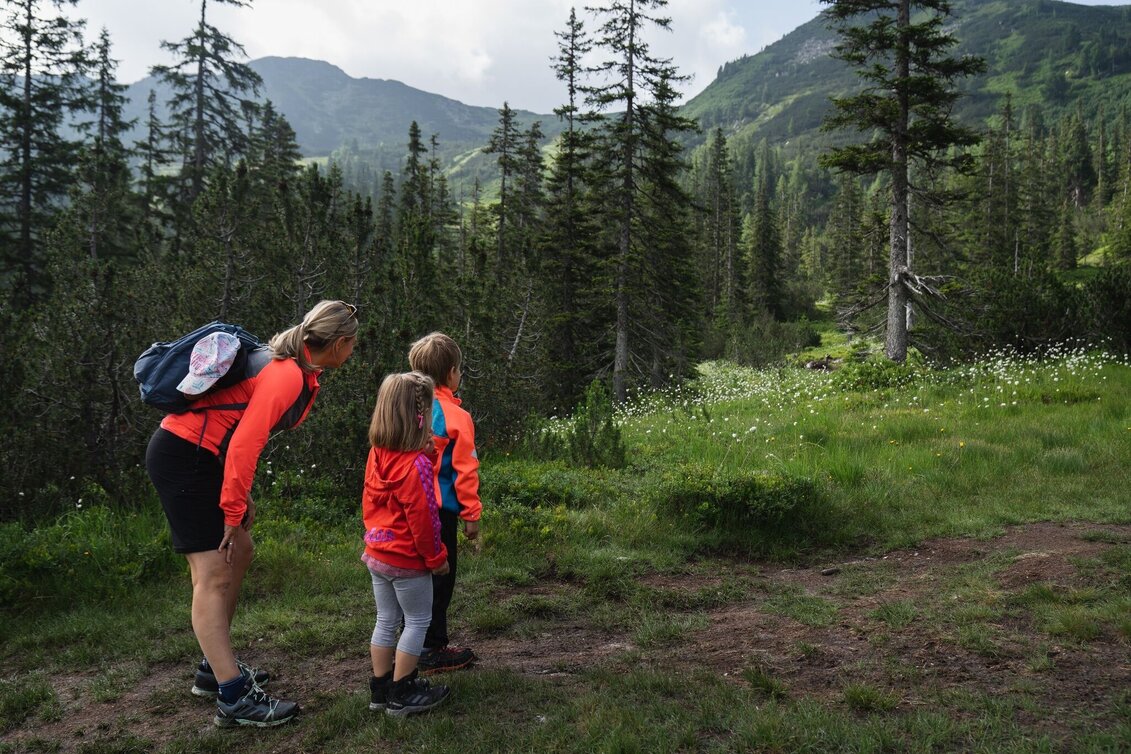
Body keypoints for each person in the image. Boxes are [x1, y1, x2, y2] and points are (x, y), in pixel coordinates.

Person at [145, 300, 358, 728]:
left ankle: (214, 668)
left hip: (202, 459)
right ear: (337, 344)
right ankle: (234, 697)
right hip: (183, 457)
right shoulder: (287, 374)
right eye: (354, 343)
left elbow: (234, 434)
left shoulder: (292, 368)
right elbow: (245, 444)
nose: (355, 350)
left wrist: (237, 500)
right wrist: (231, 507)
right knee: (213, 573)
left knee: (240, 550)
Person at [362, 371, 452, 717]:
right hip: (408, 560)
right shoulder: (414, 465)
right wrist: (435, 558)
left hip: (378, 552)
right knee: (416, 621)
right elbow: (425, 517)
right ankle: (404, 692)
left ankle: (381, 689)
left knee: (386, 619)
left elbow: (371, 502)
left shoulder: (377, 453)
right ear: (420, 416)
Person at [407, 332, 482, 673]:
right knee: (441, 575)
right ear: (451, 372)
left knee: (411, 574)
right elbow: (465, 470)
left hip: (405, 508)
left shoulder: (406, 407)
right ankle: (432, 646)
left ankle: (409, 639)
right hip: (440, 512)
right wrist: (472, 515)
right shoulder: (456, 417)